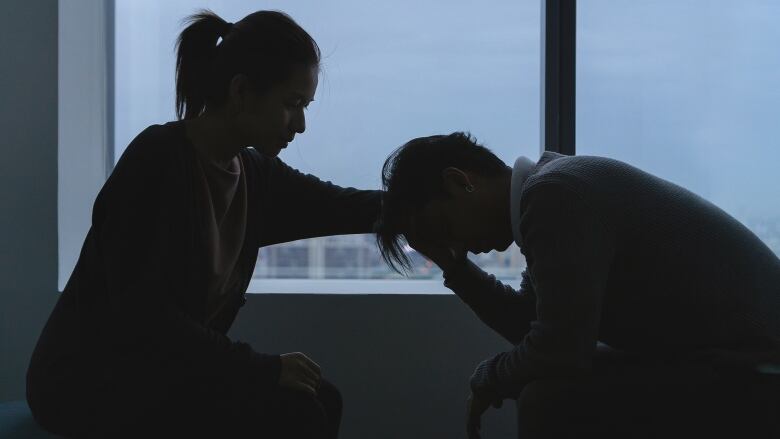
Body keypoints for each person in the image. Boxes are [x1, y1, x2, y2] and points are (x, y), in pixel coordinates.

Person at [27, 10, 380, 438]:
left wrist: (426, 200)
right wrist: (264, 369)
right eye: (292, 104)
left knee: (323, 399)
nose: (301, 125)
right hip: (88, 383)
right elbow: (146, 320)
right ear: (242, 91)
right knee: (296, 413)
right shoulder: (157, 161)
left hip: (161, 373)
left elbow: (340, 205)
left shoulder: (254, 174)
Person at [375, 132, 780, 438]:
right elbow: (533, 326)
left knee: (549, 400)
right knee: (547, 391)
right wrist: (455, 268)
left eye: (445, 227)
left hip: (757, 367)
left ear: (460, 181)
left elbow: (559, 350)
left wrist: (490, 377)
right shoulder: (550, 189)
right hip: (732, 356)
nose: (457, 244)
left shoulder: (555, 196)